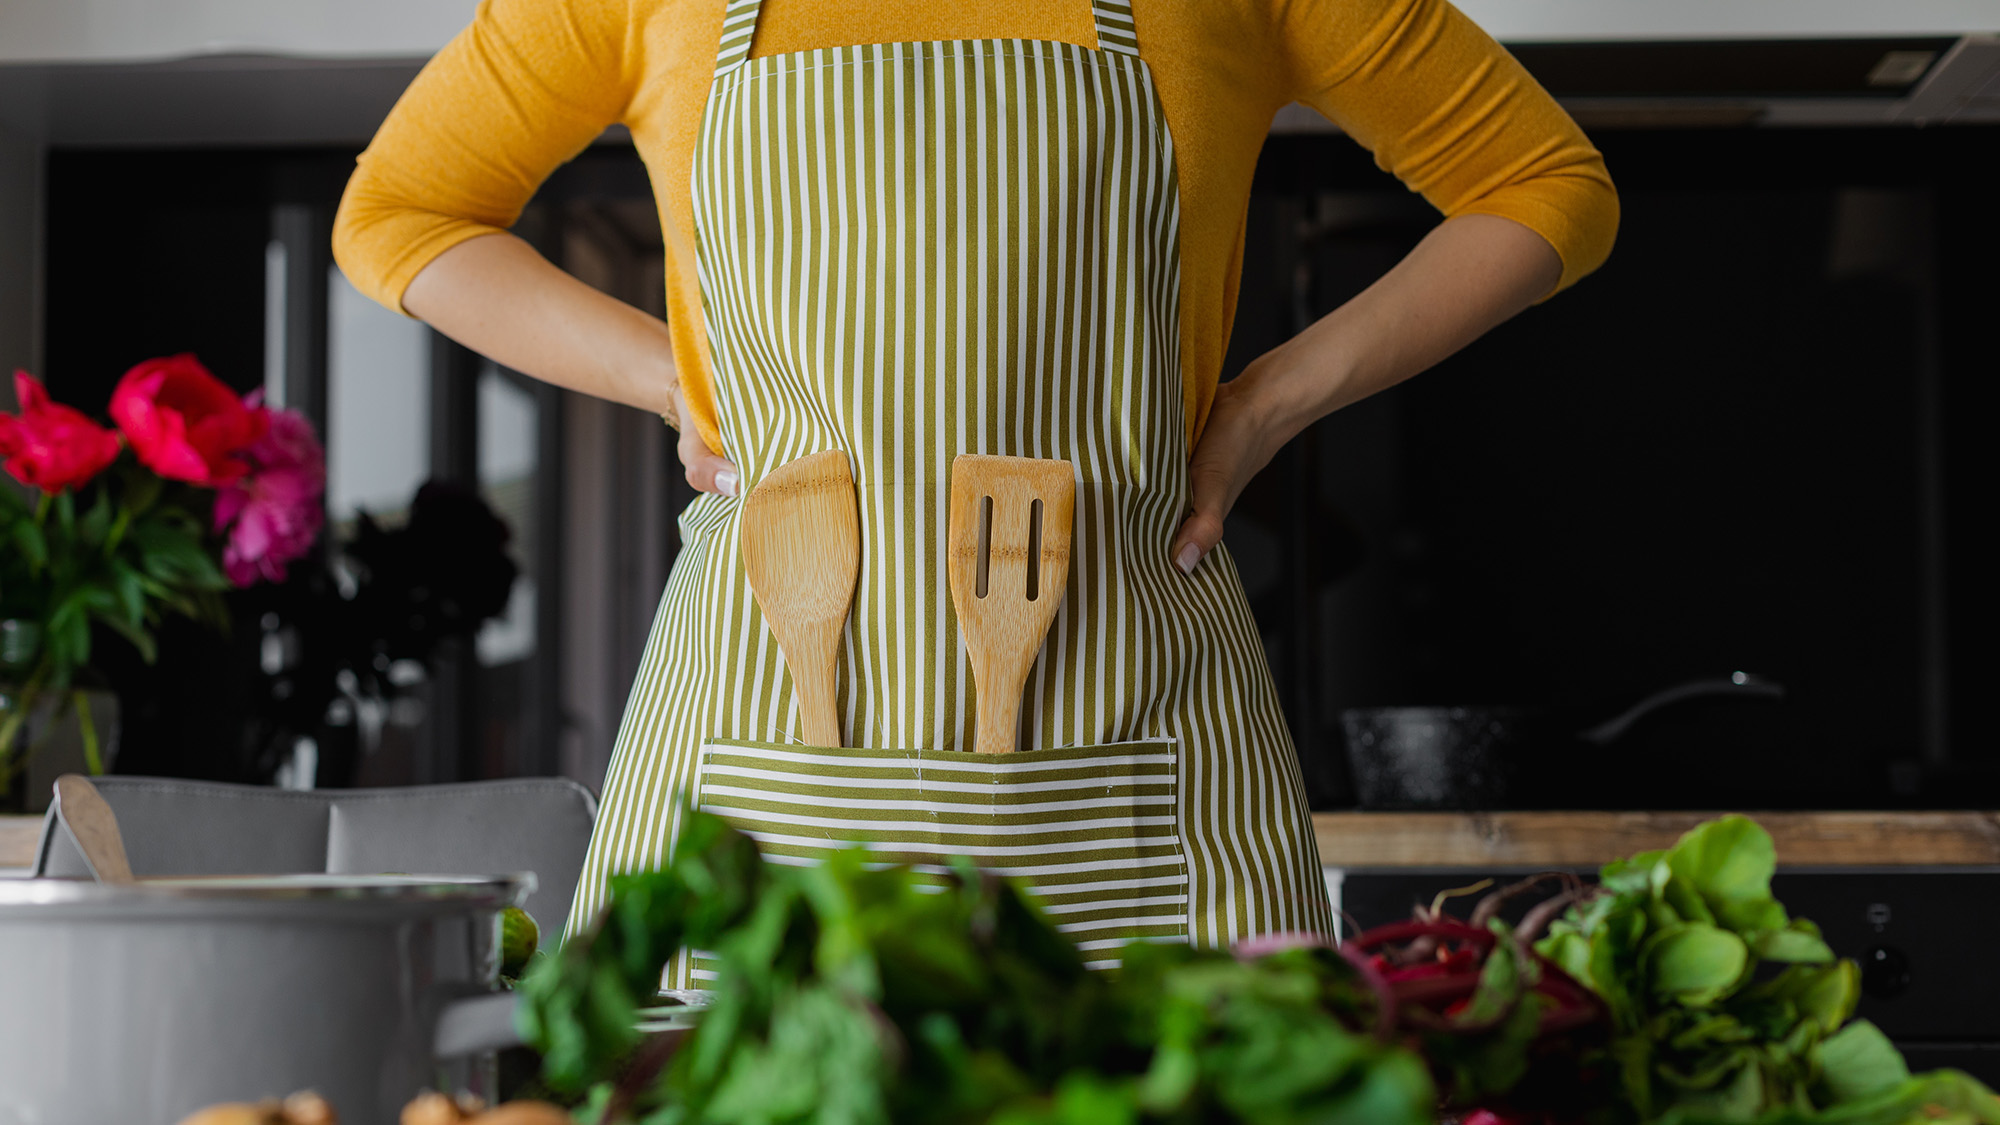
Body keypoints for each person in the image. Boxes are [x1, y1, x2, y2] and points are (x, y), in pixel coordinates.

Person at [333, 0, 1616, 980]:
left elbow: (1546, 186)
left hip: (1138, 725)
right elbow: (400, 214)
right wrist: (676, 381)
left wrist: (1264, 403)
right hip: (763, 729)